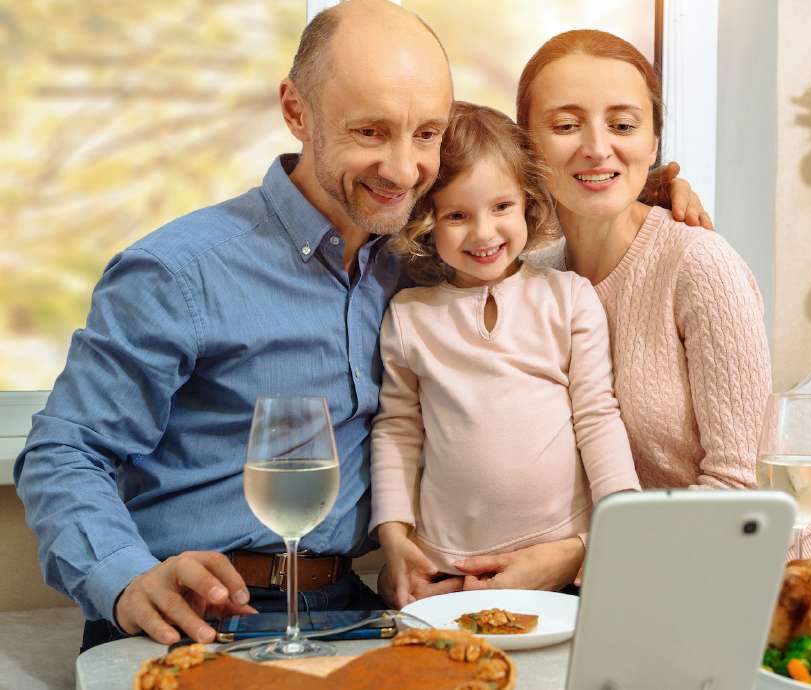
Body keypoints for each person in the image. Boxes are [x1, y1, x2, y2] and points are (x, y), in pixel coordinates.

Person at [12, 1, 701, 653]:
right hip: (202, 611)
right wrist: (126, 579)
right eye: (370, 131)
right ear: (297, 111)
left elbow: (510, 233)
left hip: (356, 605)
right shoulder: (180, 273)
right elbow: (66, 451)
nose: (403, 169)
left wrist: (648, 194)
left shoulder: (419, 263)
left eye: (426, 134)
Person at [514, 30, 811, 563]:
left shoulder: (698, 264)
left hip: (768, 578)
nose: (597, 147)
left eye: (623, 125)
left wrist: (576, 556)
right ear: (526, 146)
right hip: (634, 578)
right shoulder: (535, 280)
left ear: (653, 143)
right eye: (566, 125)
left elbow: (741, 490)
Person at [370, 102, 640, 607]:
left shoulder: (568, 297)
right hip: (446, 567)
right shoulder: (409, 315)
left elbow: (597, 415)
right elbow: (398, 430)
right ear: (427, 221)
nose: (483, 233)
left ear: (527, 204)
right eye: (457, 215)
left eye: (501, 207)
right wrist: (393, 533)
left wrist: (618, 523)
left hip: (559, 561)